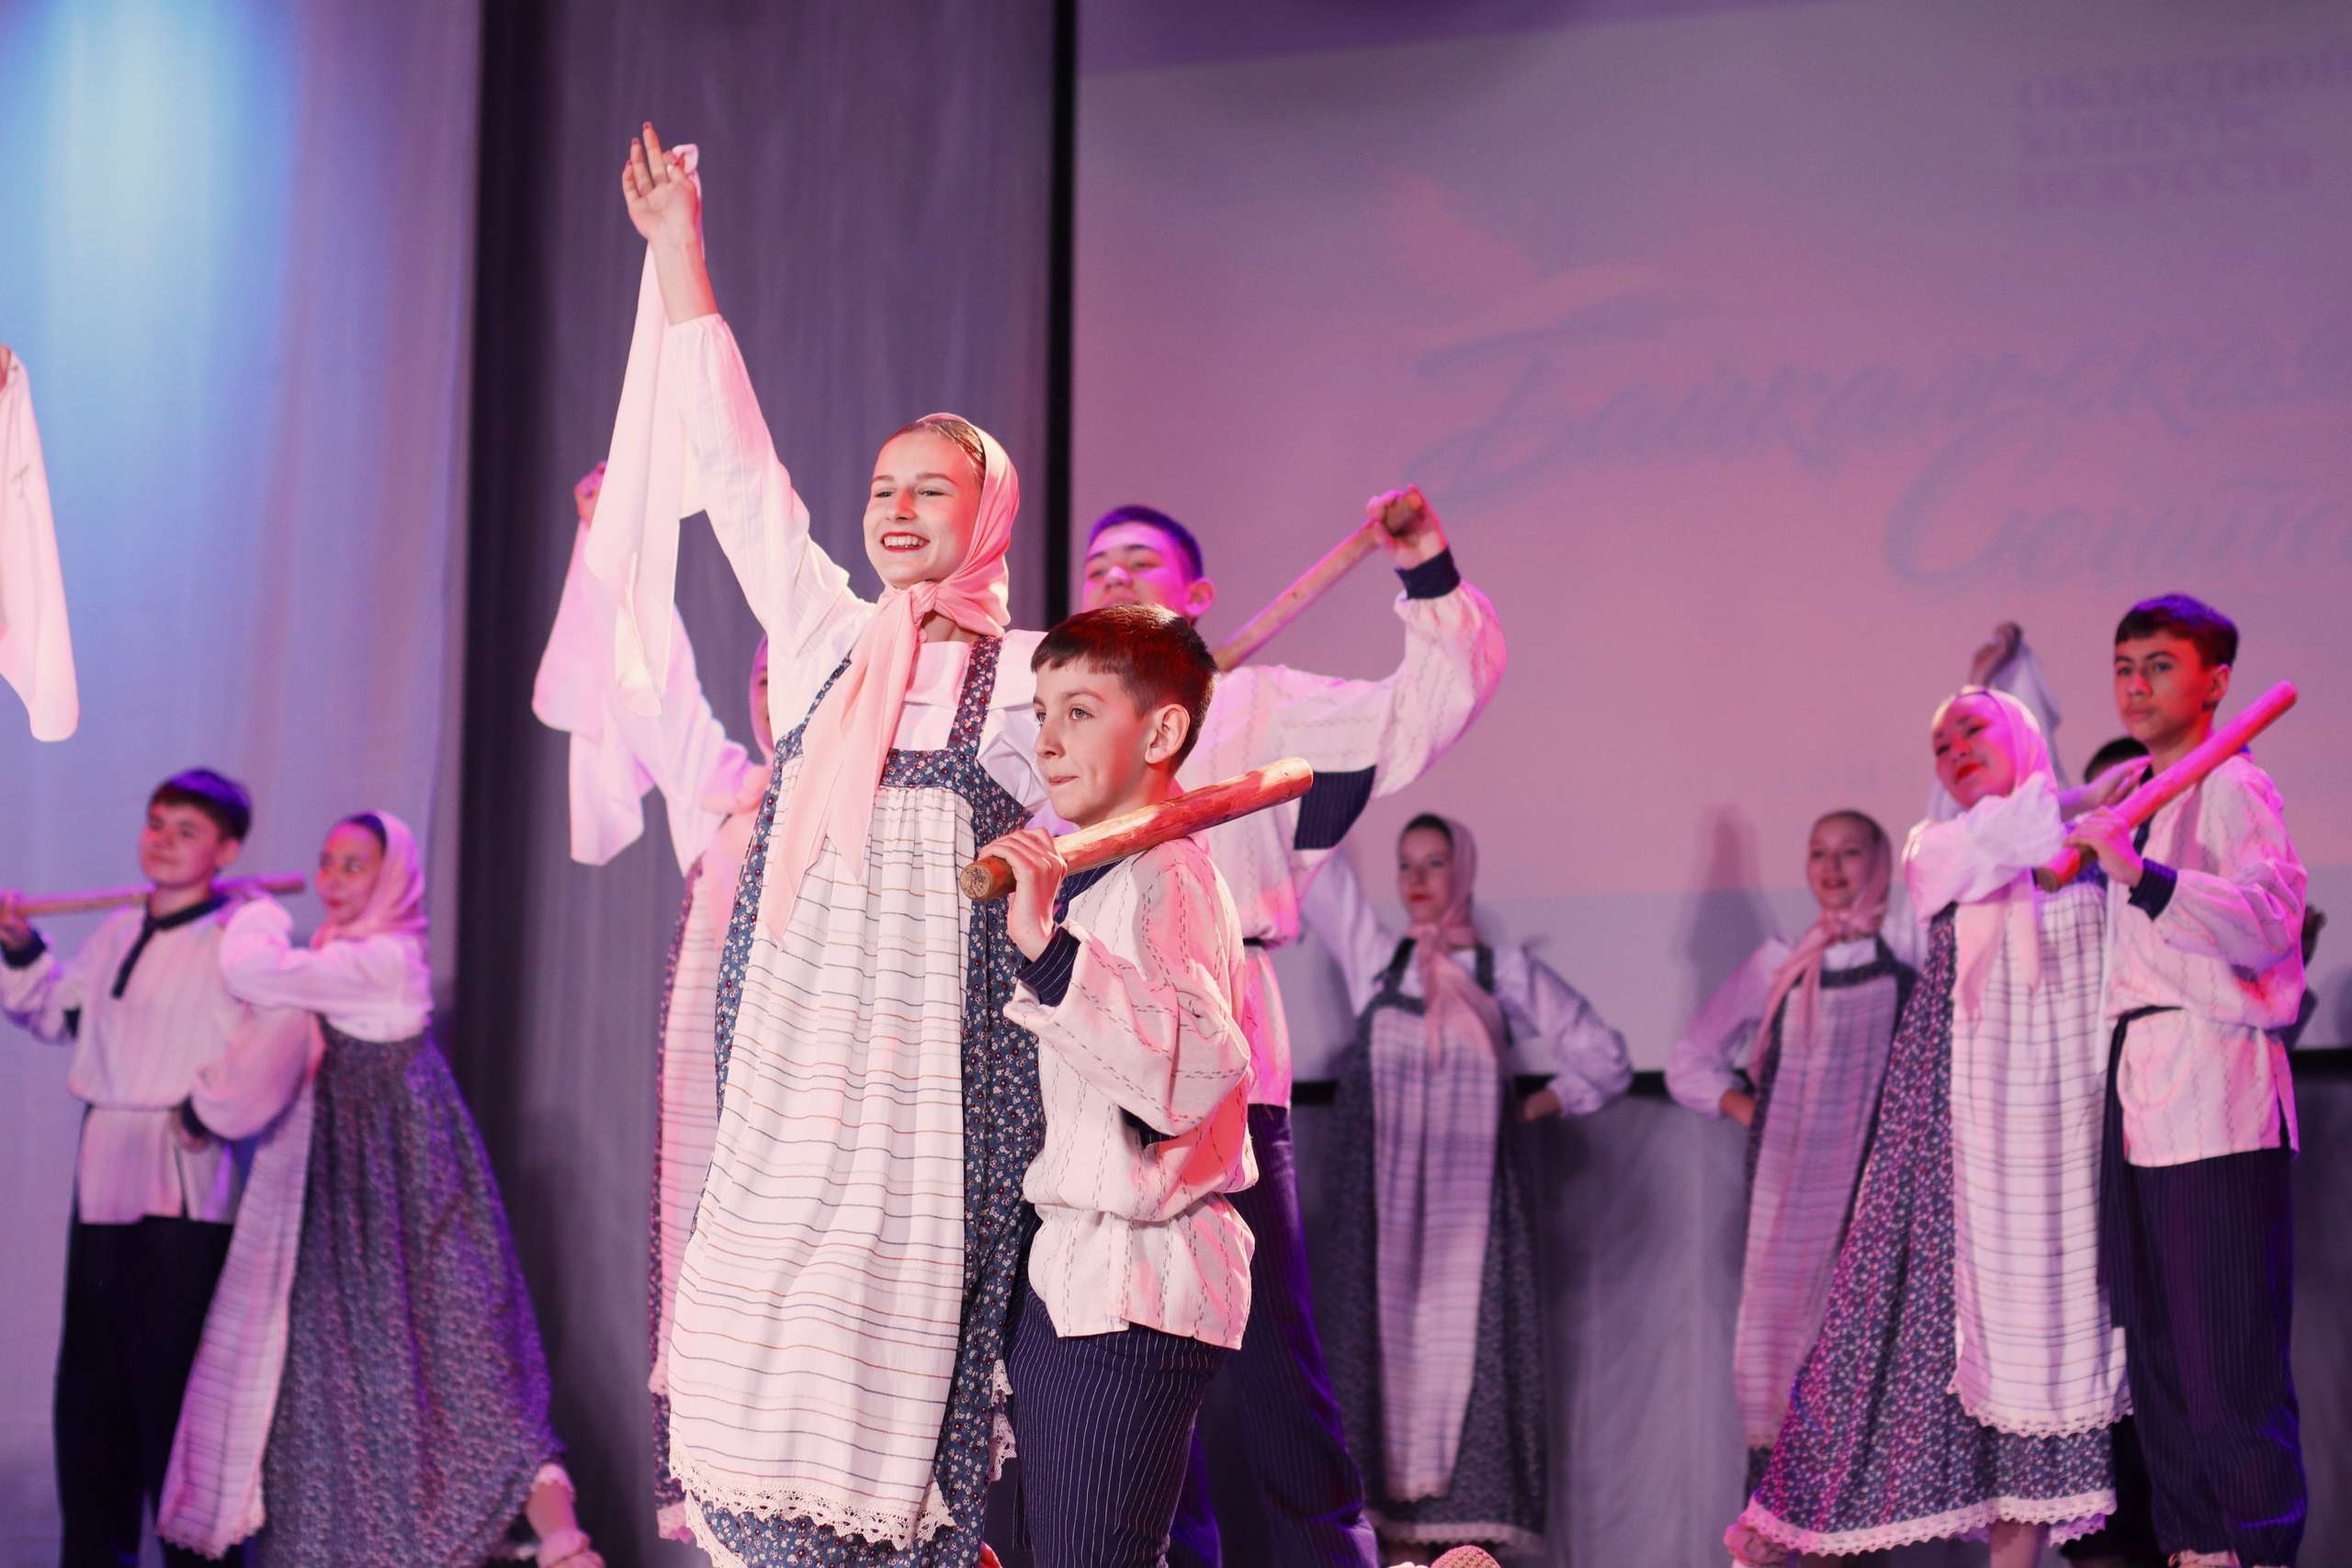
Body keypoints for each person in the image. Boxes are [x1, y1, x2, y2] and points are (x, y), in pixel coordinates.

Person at [611, 121, 1049, 1567]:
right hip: (799, 1058)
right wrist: (680, 252)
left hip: (936, 1070)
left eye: (933, 489)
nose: (899, 510)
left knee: (901, 1358)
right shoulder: (821, 639)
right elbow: (740, 471)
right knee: (757, 1337)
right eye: (884, 488)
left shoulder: (1034, 676)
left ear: (988, 513)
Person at [1081, 494, 1505, 1567]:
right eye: (1097, 566)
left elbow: (1421, 713)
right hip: (1088, 1053)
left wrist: (1425, 570)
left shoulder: (1259, 705)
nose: (1114, 576)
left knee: (1266, 1339)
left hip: (1220, 1041)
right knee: (1120, 1349)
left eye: (1139, 563)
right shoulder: (1054, 717)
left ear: (1196, 597)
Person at [1729, 690, 2136, 1567]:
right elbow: (2006, 839)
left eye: (1974, 730)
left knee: (2041, 1372)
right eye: (1940, 743)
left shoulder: (2096, 864)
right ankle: (1777, 1532)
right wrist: (2080, 797)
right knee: (1872, 1344)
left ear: (2023, 737)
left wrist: (2095, 820)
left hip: (2057, 1152)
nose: (1954, 749)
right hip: (1952, 1145)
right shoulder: (1936, 847)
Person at [158, 812, 599, 1567]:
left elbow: (251, 970)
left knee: (475, 1370)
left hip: (410, 1196)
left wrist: (257, 912)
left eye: (354, 865)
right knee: (344, 1390)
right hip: (347, 1207)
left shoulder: (383, 959)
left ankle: (563, 1542)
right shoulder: (345, 952)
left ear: (393, 876)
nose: (332, 880)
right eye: (327, 863)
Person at [978, 604, 1257, 1566]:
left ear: (1163, 730)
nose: (1049, 740)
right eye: (1042, 713)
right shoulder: (1093, 875)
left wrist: (1048, 951)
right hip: (1066, 1281)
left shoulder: (1170, 874)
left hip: (1132, 1285)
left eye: (1081, 711)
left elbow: (1190, 1074)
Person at [531, 460, 771, 1541]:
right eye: (761, 677)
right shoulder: (726, 796)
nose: (771, 692)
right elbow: (659, 684)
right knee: (726, 1352)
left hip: (833, 1132)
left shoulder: (886, 808)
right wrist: (615, 546)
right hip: (731, 1134)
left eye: (797, 675)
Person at [1300, 814, 1631, 1558]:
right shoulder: (1377, 961)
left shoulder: (1502, 972)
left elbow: (1604, 1058)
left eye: (1435, 863)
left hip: (1471, 1218)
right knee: (1374, 1377)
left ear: (1464, 871)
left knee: (1474, 1364)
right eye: (1406, 865)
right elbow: (1319, 874)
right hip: (1381, 1219)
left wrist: (1530, 1107)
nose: (1418, 880)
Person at [0, 770, 298, 1568]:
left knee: (176, 1387)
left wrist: (207, 1113)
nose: (162, 840)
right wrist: (20, 945)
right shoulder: (117, 930)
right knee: (94, 1390)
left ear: (226, 850)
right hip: (106, 1167)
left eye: (186, 830)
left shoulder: (244, 933)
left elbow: (280, 1033)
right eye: (156, 823)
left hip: (182, 1178)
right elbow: (57, 1011)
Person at [2065, 594, 2308, 1568]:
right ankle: (2195, 1545)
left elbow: (2269, 919)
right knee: (2158, 1349)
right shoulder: (2135, 787)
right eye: (2124, 666)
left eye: (2160, 665)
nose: (2135, 684)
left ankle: (2253, 1546)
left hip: (2215, 1085)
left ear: (2215, 682)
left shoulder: (2235, 783)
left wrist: (2146, 877)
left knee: (2225, 1352)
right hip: (2137, 1084)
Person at [1665, 811, 1915, 1492]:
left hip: (1870, 1198)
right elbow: (1690, 1060)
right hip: (1788, 1197)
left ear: (1880, 864)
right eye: (1818, 853)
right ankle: (1779, 1527)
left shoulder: (1906, 951)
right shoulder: (1781, 961)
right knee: (1777, 1362)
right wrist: (1752, 1110)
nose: (1832, 868)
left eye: (1850, 853)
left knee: (1857, 1360)